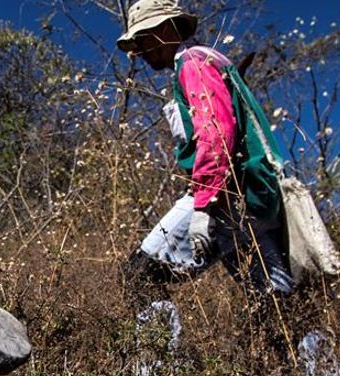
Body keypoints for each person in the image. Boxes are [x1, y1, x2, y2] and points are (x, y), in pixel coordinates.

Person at [118, 0, 294, 299]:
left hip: (227, 197)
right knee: (273, 299)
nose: (140, 51)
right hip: (254, 197)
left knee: (139, 277)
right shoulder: (209, 60)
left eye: (143, 40)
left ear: (164, 28)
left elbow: (216, 133)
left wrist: (205, 203)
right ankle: (295, 344)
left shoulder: (192, 62)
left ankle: (157, 348)